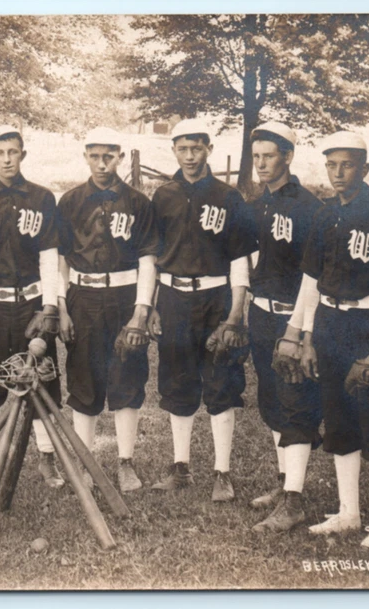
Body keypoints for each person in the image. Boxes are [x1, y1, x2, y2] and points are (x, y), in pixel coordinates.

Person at [285, 131, 369, 548]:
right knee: (340, 421)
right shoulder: (325, 215)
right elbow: (311, 281)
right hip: (329, 324)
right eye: (331, 164)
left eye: (347, 164)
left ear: (364, 168)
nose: (338, 172)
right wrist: (306, 337)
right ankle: (349, 513)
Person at [149, 118, 257, 502]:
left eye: (197, 148)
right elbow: (153, 258)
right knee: (178, 382)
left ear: (209, 148)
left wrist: (235, 314)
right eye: (183, 148)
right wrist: (153, 306)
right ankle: (180, 467)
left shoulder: (229, 197)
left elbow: (240, 259)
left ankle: (222, 472)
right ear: (174, 150)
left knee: (220, 384)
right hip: (174, 298)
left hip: (217, 299)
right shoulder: (163, 196)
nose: (190, 156)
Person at [0, 125, 64, 491]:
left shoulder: (41, 198)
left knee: (41, 382)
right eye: (0, 152)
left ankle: (47, 460)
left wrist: (49, 306)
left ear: (22, 154)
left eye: (13, 152)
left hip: (30, 305)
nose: (7, 159)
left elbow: (49, 255)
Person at [56, 127, 159, 493]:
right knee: (83, 378)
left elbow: (148, 257)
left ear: (119, 156)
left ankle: (125, 462)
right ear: (85, 155)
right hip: (81, 299)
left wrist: (140, 312)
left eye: (109, 156)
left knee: (127, 376)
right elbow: (62, 259)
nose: (102, 164)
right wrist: (62, 307)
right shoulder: (69, 202)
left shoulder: (138, 203)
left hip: (123, 297)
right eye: (95, 156)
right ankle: (85, 464)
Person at [241, 122, 324, 532]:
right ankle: (283, 483)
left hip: (293, 316)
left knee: (296, 403)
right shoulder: (257, 206)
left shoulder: (309, 208)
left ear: (288, 156)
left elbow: (314, 277)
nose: (260, 164)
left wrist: (300, 329)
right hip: (261, 313)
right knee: (272, 400)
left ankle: (295, 501)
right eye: (256, 156)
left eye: (268, 156)